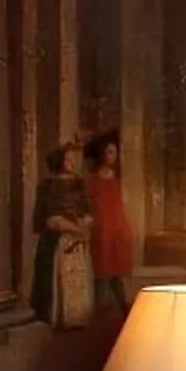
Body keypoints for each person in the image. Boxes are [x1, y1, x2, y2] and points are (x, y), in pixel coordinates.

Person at [30, 141, 93, 330]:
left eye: (74, 159)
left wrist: (84, 224)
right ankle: (58, 317)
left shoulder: (79, 184)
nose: (73, 163)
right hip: (57, 241)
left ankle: (77, 318)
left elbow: (87, 209)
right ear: (59, 161)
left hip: (77, 241)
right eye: (68, 159)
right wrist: (71, 228)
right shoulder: (48, 186)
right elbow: (48, 218)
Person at [82, 130, 135, 312]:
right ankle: (98, 310)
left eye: (114, 152)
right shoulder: (93, 180)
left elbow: (118, 205)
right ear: (102, 154)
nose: (112, 156)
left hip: (116, 226)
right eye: (109, 152)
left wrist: (123, 228)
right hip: (100, 227)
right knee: (100, 271)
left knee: (114, 272)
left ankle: (122, 307)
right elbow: (91, 204)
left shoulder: (116, 179)